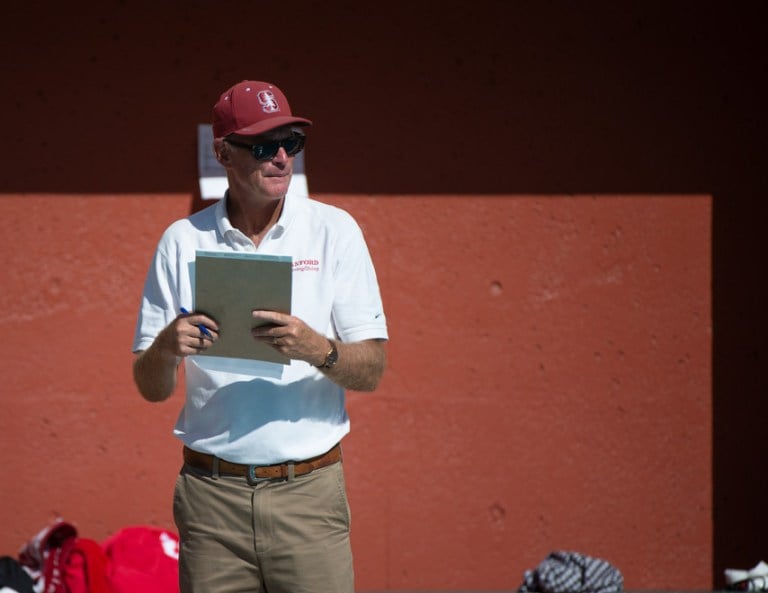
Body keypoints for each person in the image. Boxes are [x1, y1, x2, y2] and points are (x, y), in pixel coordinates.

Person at [132, 80, 388, 593]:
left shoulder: (335, 231)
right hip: (211, 501)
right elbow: (151, 386)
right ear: (223, 152)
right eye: (263, 146)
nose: (280, 158)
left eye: (291, 143)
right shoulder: (181, 242)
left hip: (309, 496)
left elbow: (373, 368)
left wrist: (315, 348)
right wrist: (166, 347)